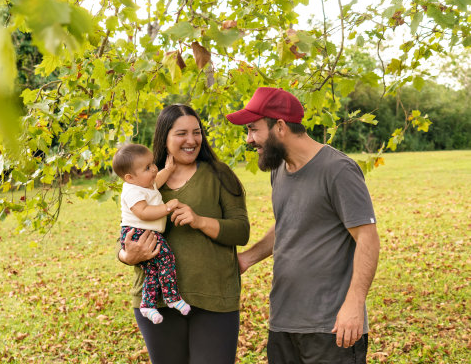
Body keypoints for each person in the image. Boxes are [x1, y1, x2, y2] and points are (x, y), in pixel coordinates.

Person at [225, 87, 380, 363]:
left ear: (280, 126)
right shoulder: (279, 170)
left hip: (331, 326)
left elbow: (367, 239)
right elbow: (289, 224)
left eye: (253, 129)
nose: (249, 139)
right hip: (284, 321)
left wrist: (354, 304)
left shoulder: (338, 170)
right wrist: (246, 259)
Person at [117, 104, 250, 364]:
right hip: (157, 302)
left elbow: (241, 231)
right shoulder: (146, 179)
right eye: (181, 133)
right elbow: (125, 236)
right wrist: (128, 255)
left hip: (214, 298)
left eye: (196, 132)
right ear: (164, 137)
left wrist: (199, 220)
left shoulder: (219, 174)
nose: (191, 140)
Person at [112, 143, 191, 324]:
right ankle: (172, 297)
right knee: (167, 258)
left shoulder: (146, 184)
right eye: (148, 168)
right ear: (130, 177)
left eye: (153, 163)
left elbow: (158, 178)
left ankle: (147, 305)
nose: (154, 169)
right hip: (138, 233)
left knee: (153, 270)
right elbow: (144, 212)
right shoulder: (132, 190)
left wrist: (169, 169)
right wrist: (167, 207)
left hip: (145, 233)